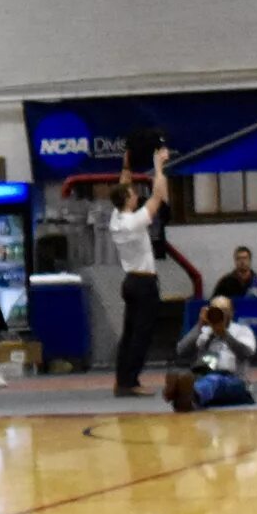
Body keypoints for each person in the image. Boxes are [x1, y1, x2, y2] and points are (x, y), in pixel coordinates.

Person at [109, 158, 163, 398]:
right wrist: (158, 166)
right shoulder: (133, 222)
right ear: (127, 200)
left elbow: (122, 188)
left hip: (130, 281)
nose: (135, 196)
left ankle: (122, 380)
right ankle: (131, 381)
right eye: (132, 194)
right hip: (143, 283)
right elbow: (158, 197)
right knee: (142, 334)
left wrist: (126, 168)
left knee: (129, 333)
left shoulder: (116, 218)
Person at [168, 292, 257, 410]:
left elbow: (248, 352)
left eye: (225, 310)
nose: (221, 313)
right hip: (204, 376)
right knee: (182, 375)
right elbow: (181, 351)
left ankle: (190, 397)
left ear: (232, 312)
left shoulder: (242, 330)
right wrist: (200, 325)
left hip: (236, 382)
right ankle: (182, 396)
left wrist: (224, 334)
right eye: (216, 310)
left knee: (213, 380)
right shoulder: (204, 330)